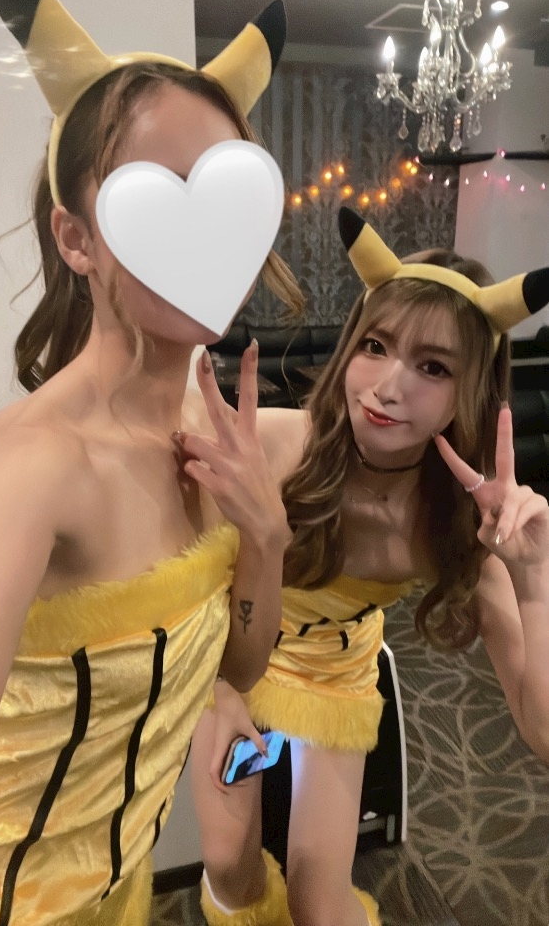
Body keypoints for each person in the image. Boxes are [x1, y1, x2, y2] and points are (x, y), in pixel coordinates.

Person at [0, 0, 303, 926]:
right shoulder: (33, 467)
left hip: (123, 892)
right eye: (158, 193)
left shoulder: (217, 432)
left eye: (223, 192)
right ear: (76, 238)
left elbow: (234, 675)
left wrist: (265, 535)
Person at [190, 206, 549, 926]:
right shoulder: (277, 446)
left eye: (433, 367)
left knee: (319, 904)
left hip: (336, 671)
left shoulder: (461, 523)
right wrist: (218, 685)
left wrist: (534, 581)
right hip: (229, 654)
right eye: (376, 346)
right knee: (230, 867)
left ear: (472, 390)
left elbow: (541, 735)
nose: (388, 386)